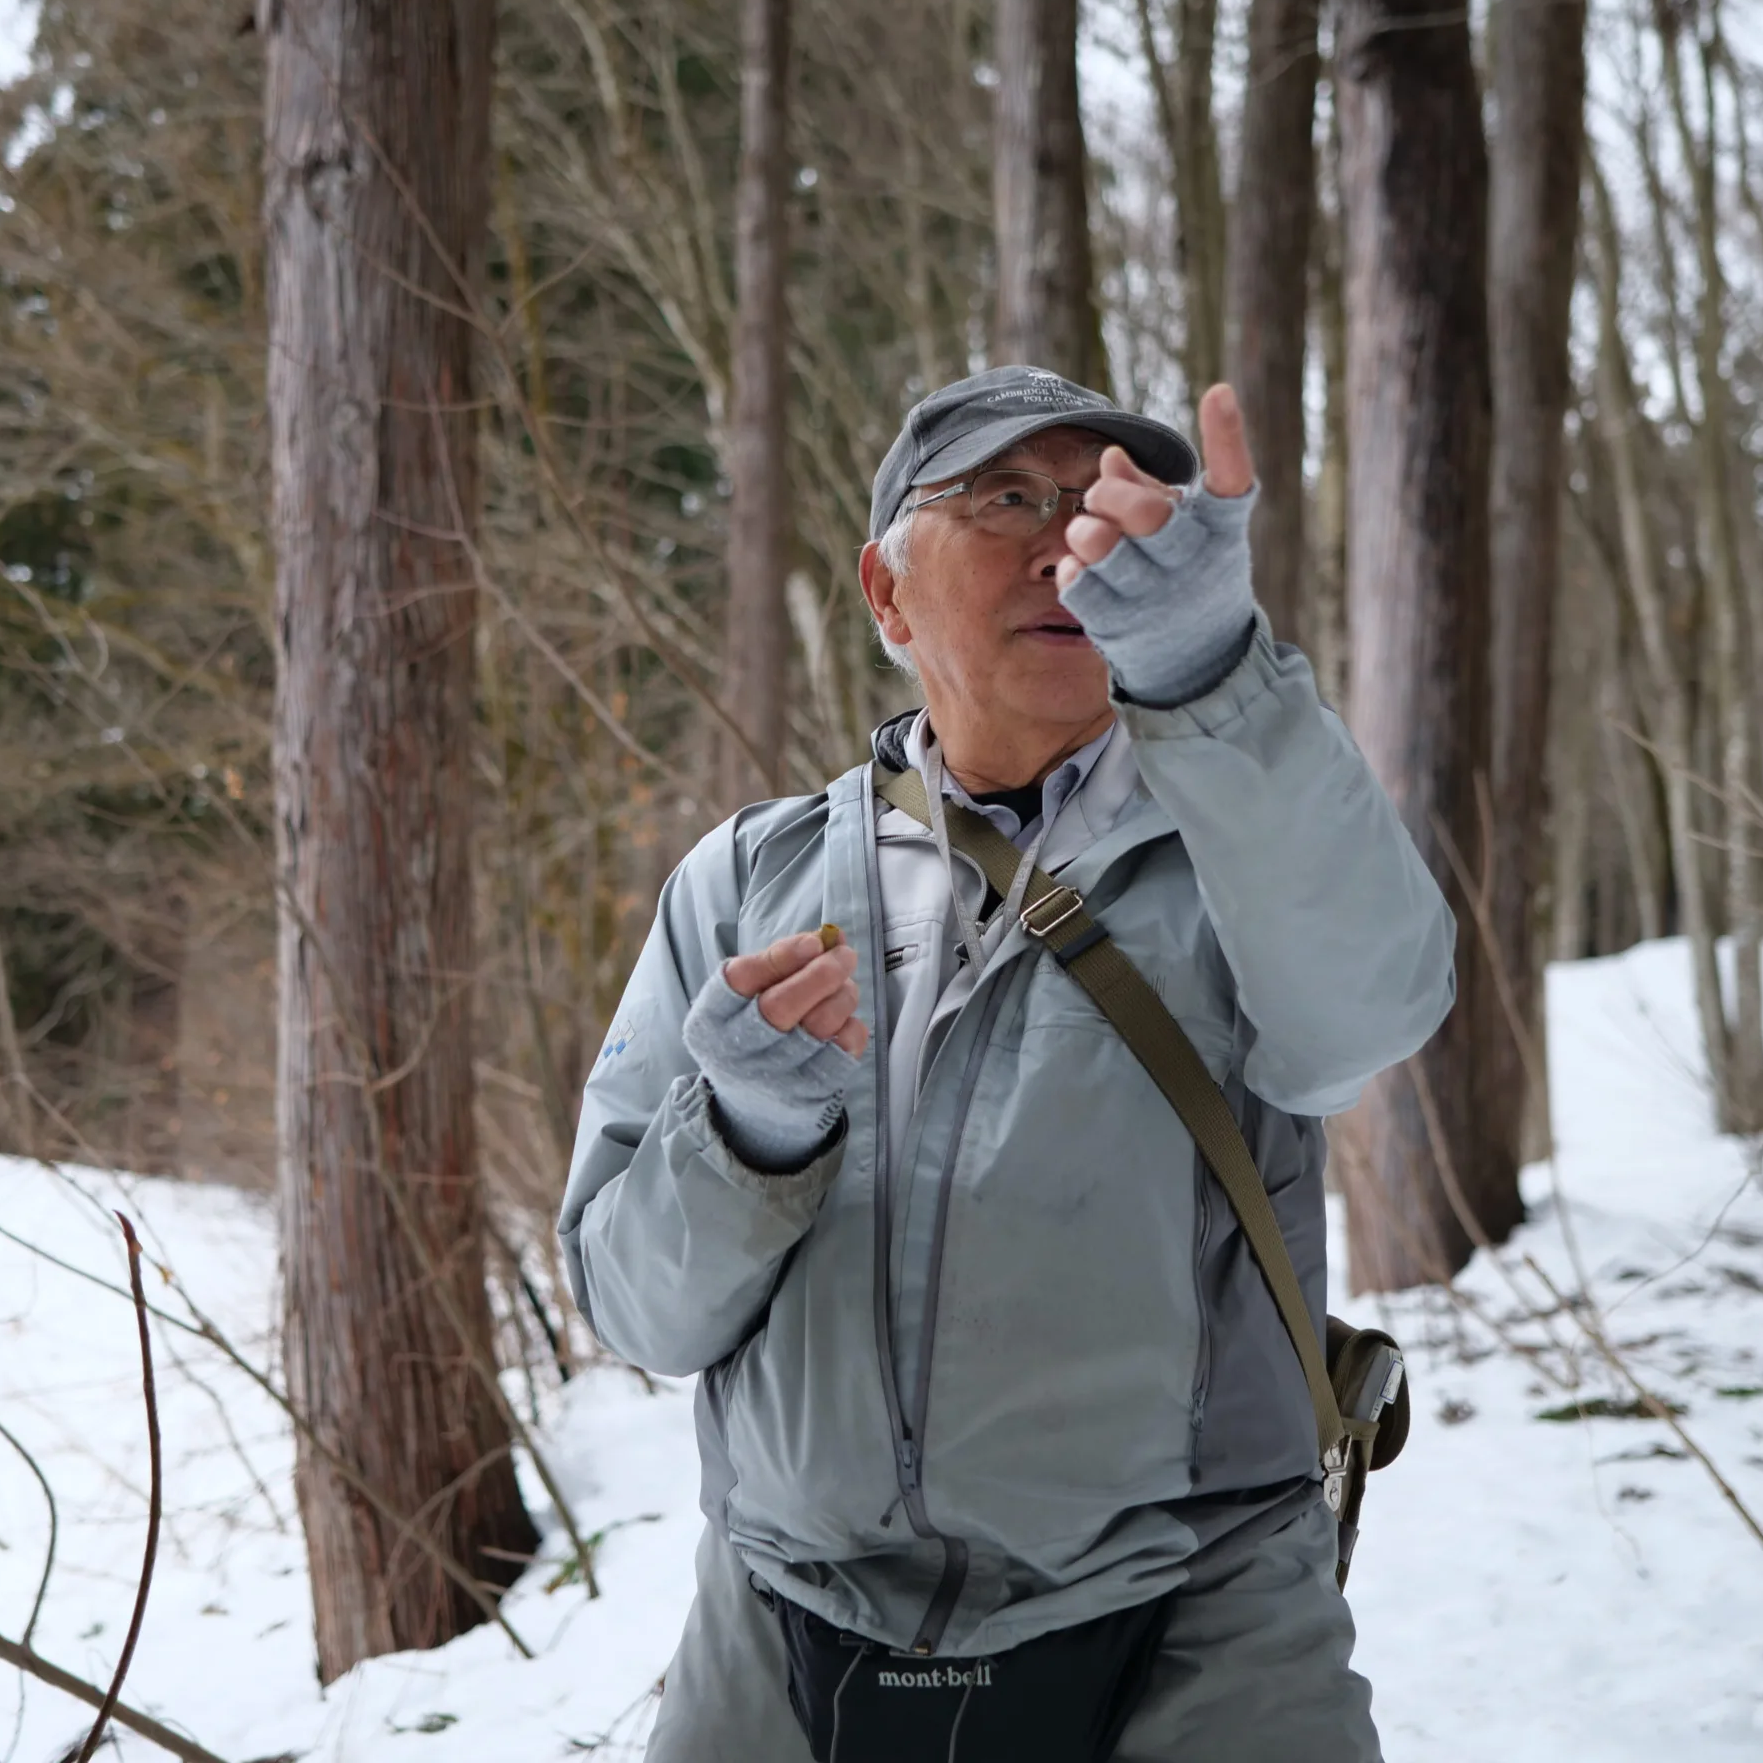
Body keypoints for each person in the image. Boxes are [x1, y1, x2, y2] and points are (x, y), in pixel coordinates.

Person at [556, 365, 1454, 1761]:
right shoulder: (745, 883)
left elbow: (1375, 1009)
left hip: (1196, 1627)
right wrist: (738, 1137)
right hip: (783, 1632)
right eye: (1004, 499)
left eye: (1096, 507)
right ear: (886, 593)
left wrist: (1217, 682)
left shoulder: (1246, 845)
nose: (1060, 540)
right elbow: (638, 1311)